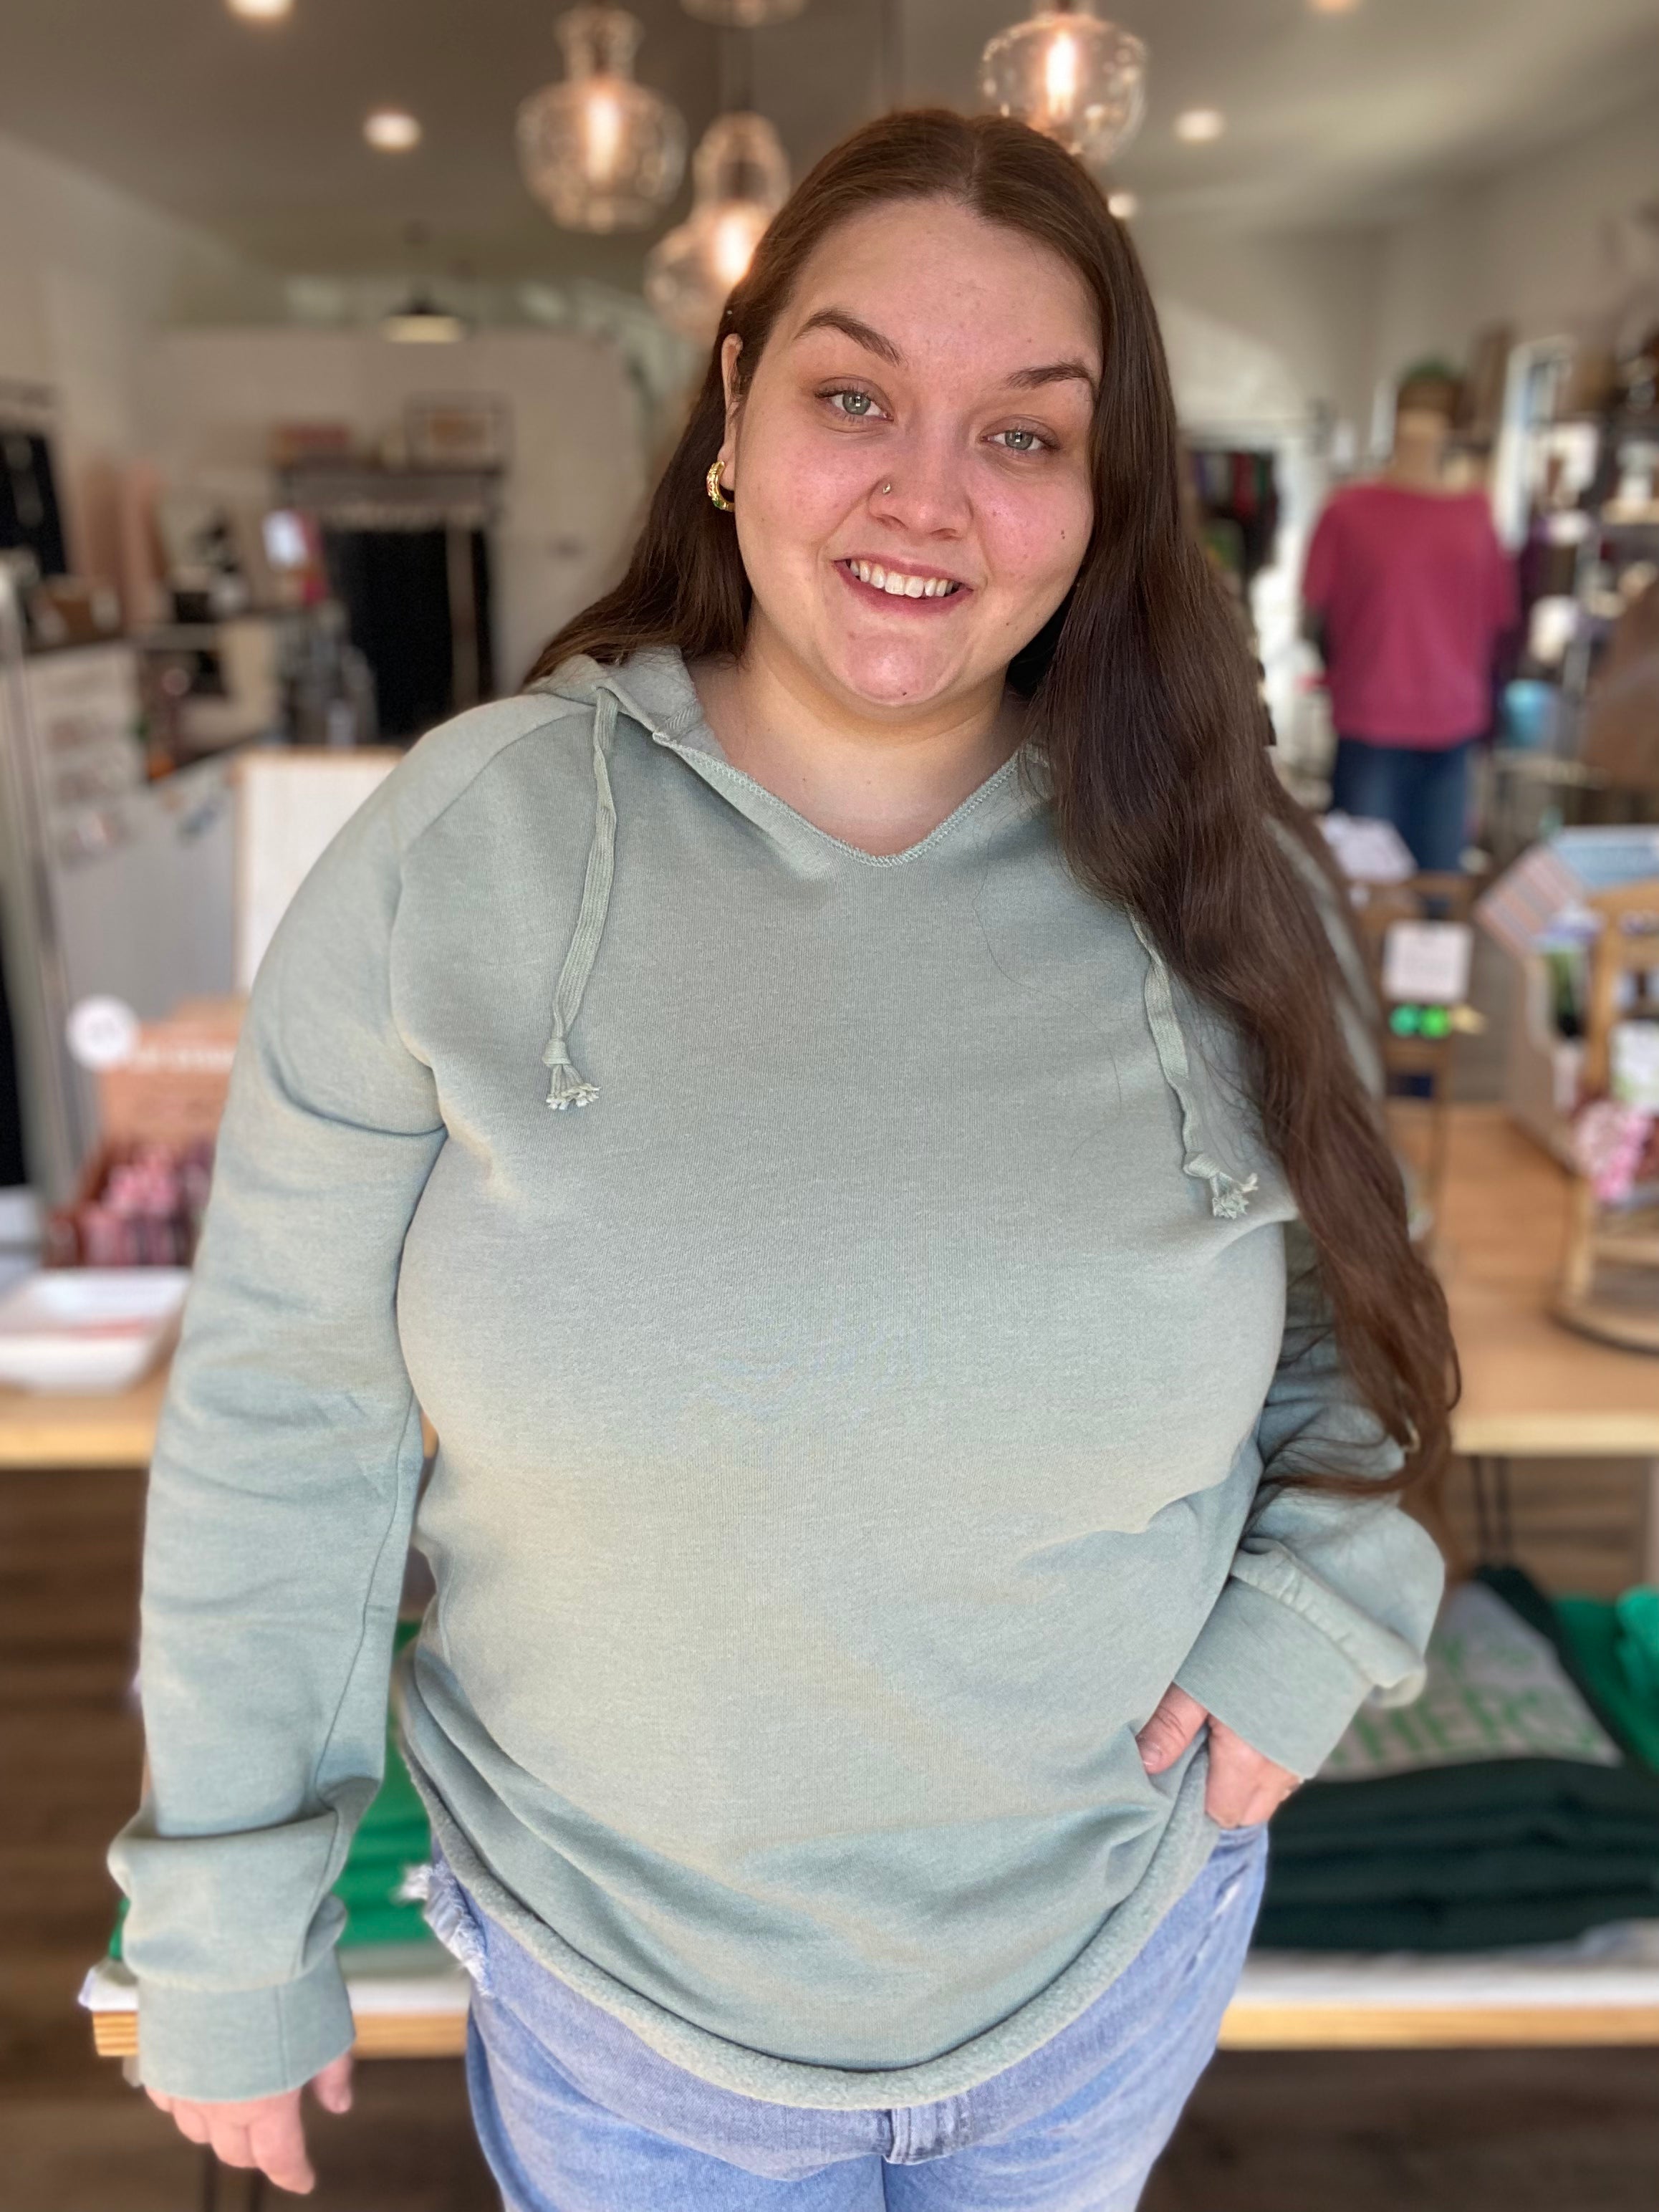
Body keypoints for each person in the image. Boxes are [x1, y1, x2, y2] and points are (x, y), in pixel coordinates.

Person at [113, 110, 1453, 2211]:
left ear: (1103, 496)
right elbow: (285, 1417)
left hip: (1105, 1961)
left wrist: (1320, 1615)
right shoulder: (467, 847)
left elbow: (1358, 1322)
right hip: (623, 2004)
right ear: (733, 409)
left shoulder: (1231, 881)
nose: (927, 495)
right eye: (853, 398)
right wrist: (221, 1918)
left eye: (1023, 434)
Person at [1304, 367, 1519, 873]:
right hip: (1371, 722)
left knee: (1440, 885)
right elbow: (1316, 616)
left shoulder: (1476, 513)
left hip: (1454, 724)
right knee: (1364, 887)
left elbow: (1496, 618)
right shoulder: (1346, 512)